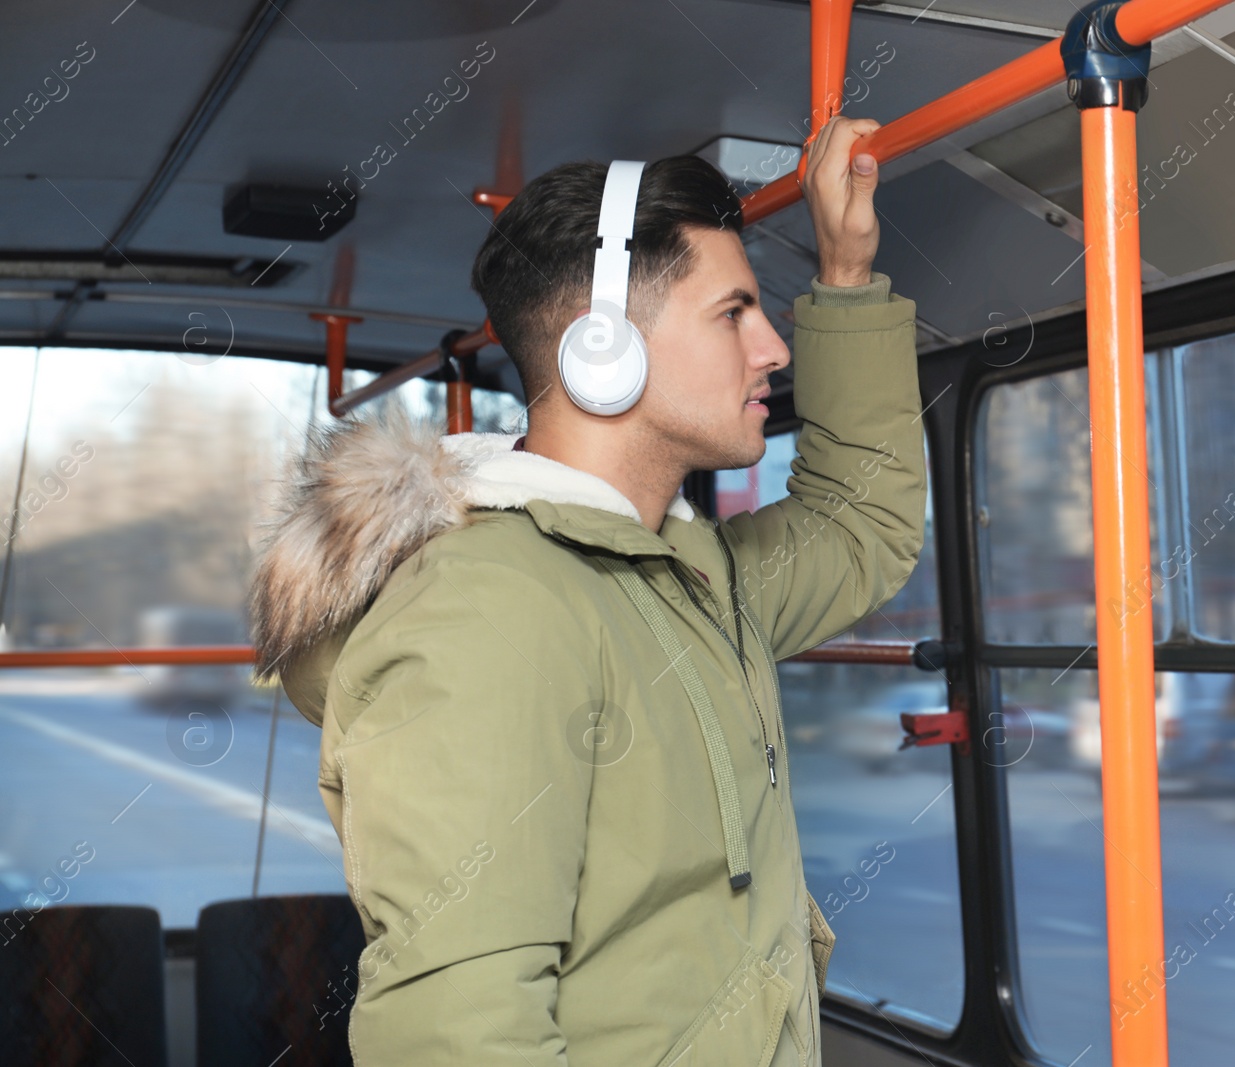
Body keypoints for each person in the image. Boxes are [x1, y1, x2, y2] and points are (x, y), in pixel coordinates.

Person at [248, 114, 926, 1065]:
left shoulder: (690, 576)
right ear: (599, 348)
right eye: (734, 312)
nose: (774, 347)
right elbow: (462, 1036)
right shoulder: (489, 613)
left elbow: (859, 525)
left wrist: (847, 279)